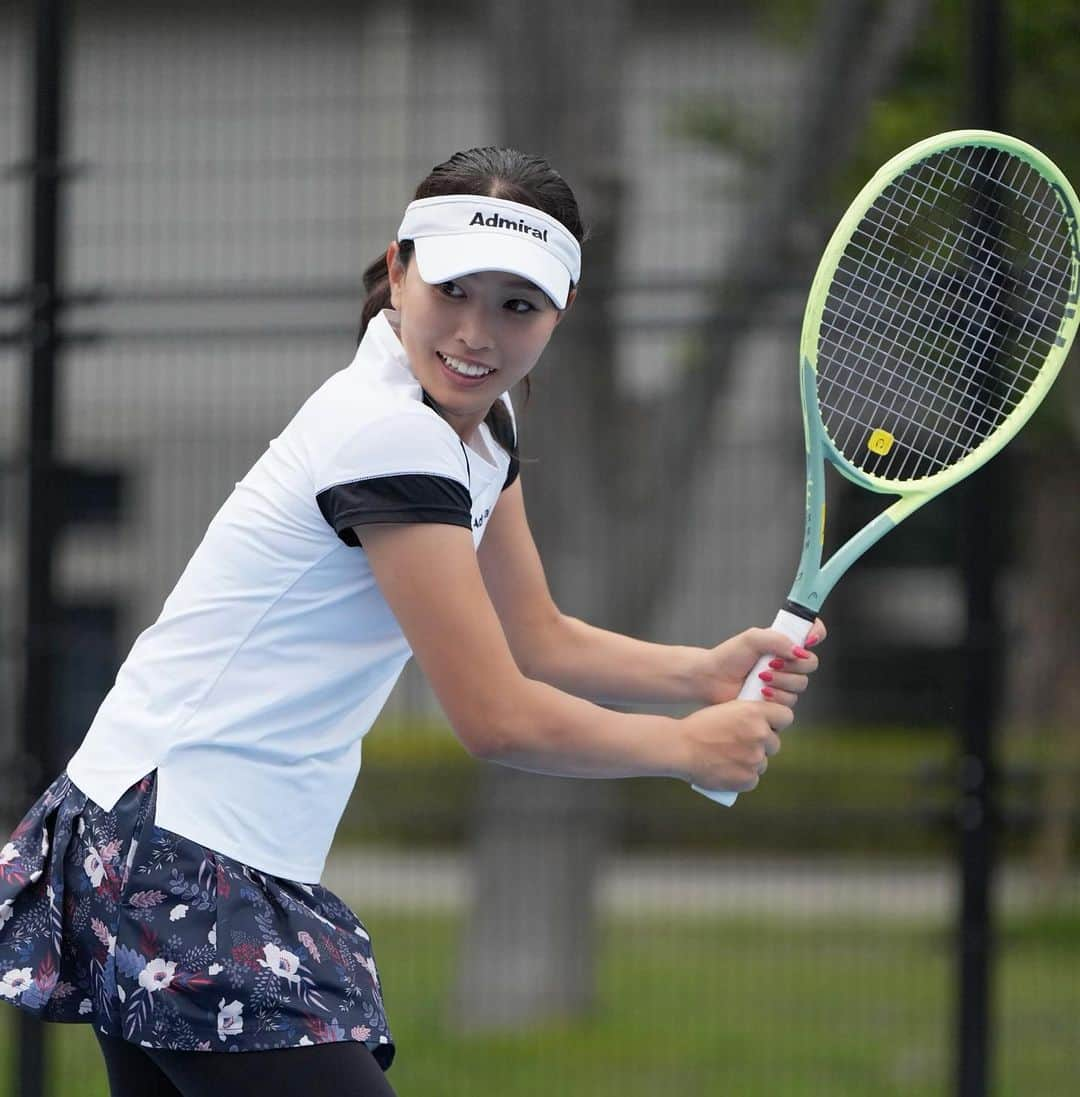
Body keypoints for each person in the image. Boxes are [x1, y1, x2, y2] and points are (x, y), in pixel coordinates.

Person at [0, 146, 825, 1097]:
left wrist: (700, 672)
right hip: (176, 846)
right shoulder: (388, 433)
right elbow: (495, 715)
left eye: (518, 305)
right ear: (398, 272)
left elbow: (537, 634)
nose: (477, 333)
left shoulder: (483, 421)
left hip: (162, 837)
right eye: (453, 291)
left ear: (558, 316)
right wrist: (688, 748)